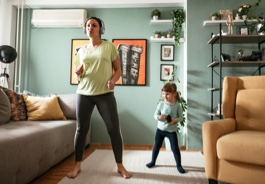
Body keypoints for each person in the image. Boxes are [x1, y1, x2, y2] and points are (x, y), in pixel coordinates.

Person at [67, 17, 132, 179]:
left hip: (105, 94)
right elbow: (78, 76)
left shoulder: (109, 47)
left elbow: (118, 70)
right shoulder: (80, 51)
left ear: (100, 29)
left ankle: (119, 165)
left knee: (114, 130)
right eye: (88, 25)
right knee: (81, 130)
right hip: (84, 93)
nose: (90, 27)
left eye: (94, 25)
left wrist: (113, 81)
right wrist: (78, 73)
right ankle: (77, 165)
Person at [146, 82, 185, 174]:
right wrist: (159, 117)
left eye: (167, 94)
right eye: (163, 93)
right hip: (160, 130)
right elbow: (155, 115)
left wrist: (175, 120)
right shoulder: (161, 104)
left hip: (171, 131)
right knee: (156, 146)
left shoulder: (177, 105)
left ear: (174, 94)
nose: (164, 96)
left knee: (175, 148)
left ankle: (179, 165)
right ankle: (153, 161)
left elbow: (181, 117)